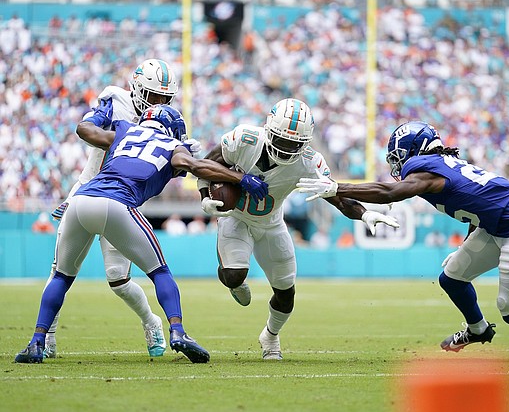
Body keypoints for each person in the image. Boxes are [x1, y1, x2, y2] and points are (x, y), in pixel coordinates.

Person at [297, 120, 509, 361]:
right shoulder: (443, 165)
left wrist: (339, 188)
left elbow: (391, 193)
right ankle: (477, 330)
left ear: (414, 150)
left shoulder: (425, 168)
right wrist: (465, 245)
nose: (397, 164)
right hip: (495, 225)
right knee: (452, 278)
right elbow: (480, 206)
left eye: (399, 156)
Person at [15, 102, 269, 364]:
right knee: (159, 272)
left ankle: (37, 341)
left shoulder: (124, 132)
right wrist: (240, 179)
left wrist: (98, 113)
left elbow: (86, 131)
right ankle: (178, 331)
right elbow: (195, 168)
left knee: (61, 276)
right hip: (117, 204)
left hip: (80, 201)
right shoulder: (173, 146)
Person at [197, 98, 399, 360]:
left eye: (294, 144)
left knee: (286, 293)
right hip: (236, 218)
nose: (286, 148)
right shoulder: (245, 139)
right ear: (269, 130)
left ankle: (270, 336)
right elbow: (206, 165)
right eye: (281, 140)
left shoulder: (308, 162)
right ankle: (234, 282)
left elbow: (336, 196)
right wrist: (205, 194)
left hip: (271, 224)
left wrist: (364, 213)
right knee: (233, 276)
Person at [44, 59, 198, 359]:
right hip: (88, 188)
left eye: (165, 99)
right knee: (59, 268)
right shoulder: (115, 100)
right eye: (154, 96)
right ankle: (46, 338)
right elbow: (87, 128)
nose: (159, 103)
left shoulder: (166, 119)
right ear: (138, 89)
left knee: (118, 278)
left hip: (122, 200)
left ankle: (150, 321)